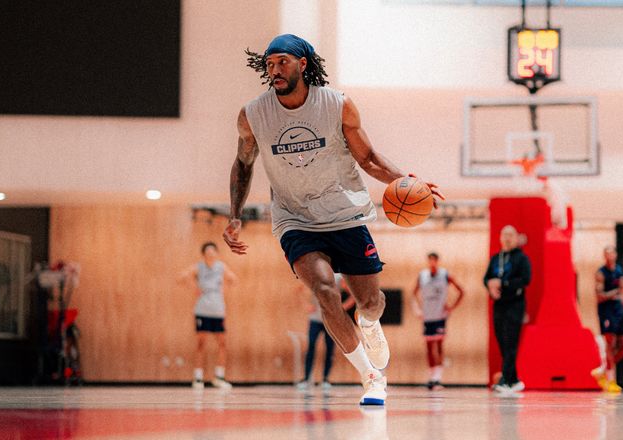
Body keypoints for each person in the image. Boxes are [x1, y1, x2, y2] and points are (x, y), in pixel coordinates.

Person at [222, 34, 443, 405]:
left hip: (345, 213)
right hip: (296, 219)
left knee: (371, 302)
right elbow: (243, 163)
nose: (274, 70)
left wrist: (407, 181)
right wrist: (234, 215)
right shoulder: (253, 114)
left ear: (303, 64)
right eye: (270, 64)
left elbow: (368, 158)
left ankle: (368, 323)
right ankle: (371, 378)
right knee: (325, 292)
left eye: (282, 62)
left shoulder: (336, 104)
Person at [179, 242, 238, 389]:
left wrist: (223, 290)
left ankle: (219, 377)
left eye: (213, 252)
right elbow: (182, 277)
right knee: (201, 343)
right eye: (208, 252)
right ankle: (198, 378)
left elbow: (233, 279)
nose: (211, 255)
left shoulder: (221, 267)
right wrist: (194, 288)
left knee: (222, 343)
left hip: (218, 310)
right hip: (202, 310)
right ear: (204, 254)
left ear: (216, 254)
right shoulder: (198, 267)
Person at [484, 225, 531, 394]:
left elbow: (526, 279)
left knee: (511, 341)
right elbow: (486, 278)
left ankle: (505, 379)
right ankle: (514, 380)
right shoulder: (496, 258)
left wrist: (503, 283)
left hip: (515, 304)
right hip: (499, 304)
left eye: (511, 235)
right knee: (502, 341)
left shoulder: (522, 258)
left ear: (516, 238)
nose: (507, 238)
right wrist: (490, 286)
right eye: (504, 235)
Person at [412, 252, 464, 390]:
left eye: (434, 260)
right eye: (430, 260)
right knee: (429, 347)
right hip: (427, 316)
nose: (432, 263)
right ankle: (431, 378)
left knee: (439, 346)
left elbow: (461, 291)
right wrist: (418, 309)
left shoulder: (445, 275)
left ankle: (438, 379)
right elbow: (414, 293)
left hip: (440, 316)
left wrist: (452, 307)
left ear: (437, 261)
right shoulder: (422, 275)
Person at [296, 273, 355, 390]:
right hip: (315, 319)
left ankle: (325, 379)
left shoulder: (338, 277)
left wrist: (341, 308)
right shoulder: (314, 274)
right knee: (311, 347)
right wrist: (306, 305)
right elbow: (299, 290)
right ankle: (306, 379)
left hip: (331, 320)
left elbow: (353, 295)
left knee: (329, 349)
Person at [591, 245, 623, 393]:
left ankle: (602, 369)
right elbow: (600, 296)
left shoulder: (619, 270)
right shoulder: (601, 273)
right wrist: (615, 292)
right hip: (606, 312)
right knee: (610, 344)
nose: (609, 256)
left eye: (611, 254)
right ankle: (611, 380)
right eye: (607, 254)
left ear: (615, 255)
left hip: (618, 311)